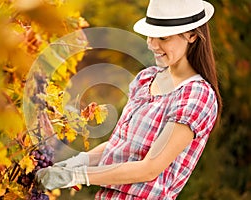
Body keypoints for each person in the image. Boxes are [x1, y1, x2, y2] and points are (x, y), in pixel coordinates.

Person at [35, 0, 222, 199]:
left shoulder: (196, 96)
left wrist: (77, 176)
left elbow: (149, 168)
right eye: (150, 35)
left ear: (192, 35)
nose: (152, 44)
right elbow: (120, 145)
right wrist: (79, 161)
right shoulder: (146, 79)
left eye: (163, 38)